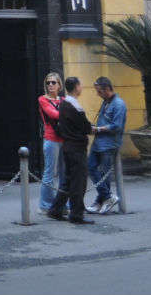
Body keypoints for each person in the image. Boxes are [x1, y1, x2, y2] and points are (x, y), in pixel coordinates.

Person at [47, 77, 95, 225]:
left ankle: (55, 209)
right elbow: (86, 127)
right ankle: (76, 214)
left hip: (67, 146)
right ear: (76, 87)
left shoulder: (63, 104)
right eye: (80, 85)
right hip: (76, 148)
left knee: (67, 181)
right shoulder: (74, 106)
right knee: (78, 182)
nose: (81, 88)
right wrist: (94, 128)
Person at [86, 76, 127, 215]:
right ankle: (106, 198)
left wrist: (98, 129)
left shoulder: (119, 104)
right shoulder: (106, 102)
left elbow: (117, 126)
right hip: (98, 142)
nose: (98, 94)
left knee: (104, 173)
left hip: (109, 144)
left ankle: (103, 200)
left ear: (107, 89)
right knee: (91, 167)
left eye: (99, 91)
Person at [37, 72, 64, 214]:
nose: (50, 85)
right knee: (49, 173)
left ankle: (62, 203)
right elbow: (53, 114)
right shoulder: (42, 99)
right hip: (51, 139)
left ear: (59, 85)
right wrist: (69, 113)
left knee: (64, 173)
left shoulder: (63, 100)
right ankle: (45, 205)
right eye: (48, 83)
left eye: (53, 82)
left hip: (64, 139)